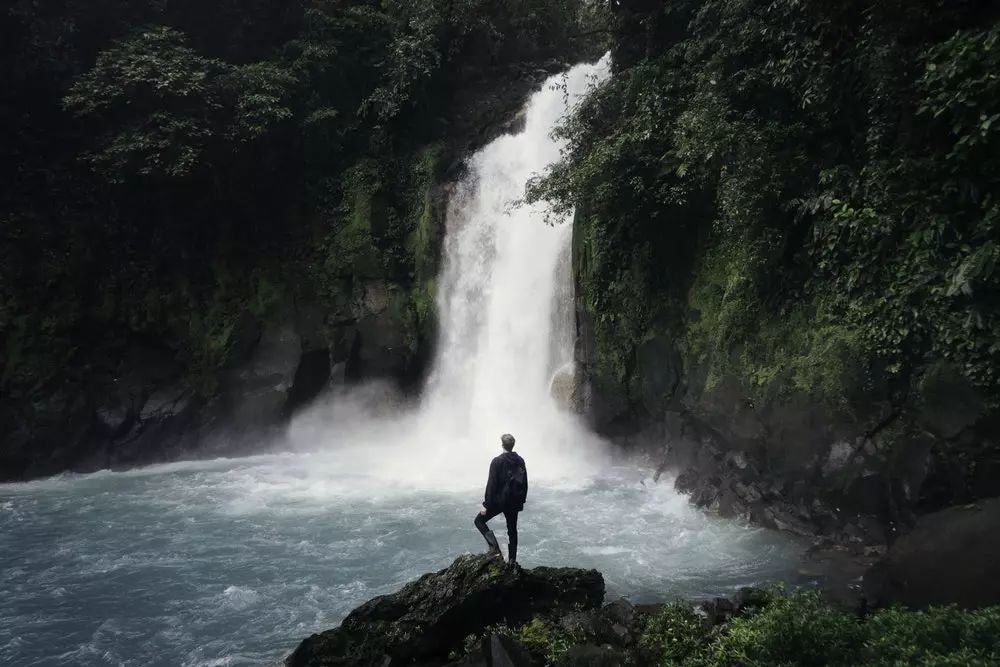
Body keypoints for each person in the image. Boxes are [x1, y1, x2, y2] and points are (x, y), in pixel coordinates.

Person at [474, 433, 528, 566]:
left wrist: (486, 505)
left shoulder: (497, 461)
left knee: (479, 521)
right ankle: (512, 560)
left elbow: (492, 484)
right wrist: (522, 500)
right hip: (514, 501)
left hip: (500, 501)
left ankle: (495, 550)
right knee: (512, 530)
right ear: (512, 445)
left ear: (502, 445)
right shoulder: (520, 460)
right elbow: (525, 482)